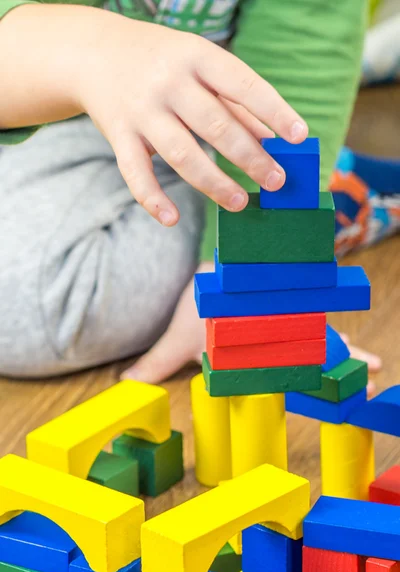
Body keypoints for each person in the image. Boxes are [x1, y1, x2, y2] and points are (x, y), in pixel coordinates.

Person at [0, 0, 373, 383]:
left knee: (42, 304)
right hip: (41, 110)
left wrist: (249, 262)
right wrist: (91, 51)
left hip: (213, 122)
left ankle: (327, 197)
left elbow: (299, 57)